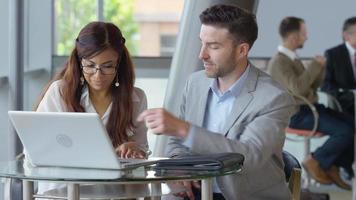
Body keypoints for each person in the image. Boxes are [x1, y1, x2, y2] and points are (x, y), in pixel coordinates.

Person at [138, 4, 296, 200]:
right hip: (194, 192)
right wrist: (179, 168)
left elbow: (248, 157)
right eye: (202, 43)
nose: (202, 54)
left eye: (213, 46)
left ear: (241, 50)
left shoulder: (274, 97)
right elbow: (177, 142)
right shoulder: (195, 83)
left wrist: (183, 129)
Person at [31, 21, 149, 196]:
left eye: (107, 66)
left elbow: (142, 156)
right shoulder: (60, 93)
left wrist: (135, 150)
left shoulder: (136, 99)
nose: (98, 75)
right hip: (62, 192)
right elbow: (34, 151)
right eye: (90, 65)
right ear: (79, 62)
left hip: (112, 193)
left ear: (119, 64)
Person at [268, 16, 354, 190]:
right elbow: (299, 89)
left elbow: (310, 88)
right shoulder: (279, 62)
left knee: (352, 122)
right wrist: (314, 66)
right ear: (294, 37)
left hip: (310, 108)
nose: (307, 37)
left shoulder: (293, 59)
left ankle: (332, 165)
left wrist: (319, 69)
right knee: (344, 131)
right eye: (304, 33)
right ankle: (315, 160)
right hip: (297, 114)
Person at [321, 17, 356, 117]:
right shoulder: (332, 54)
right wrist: (349, 96)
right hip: (344, 106)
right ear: (346, 35)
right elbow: (325, 85)